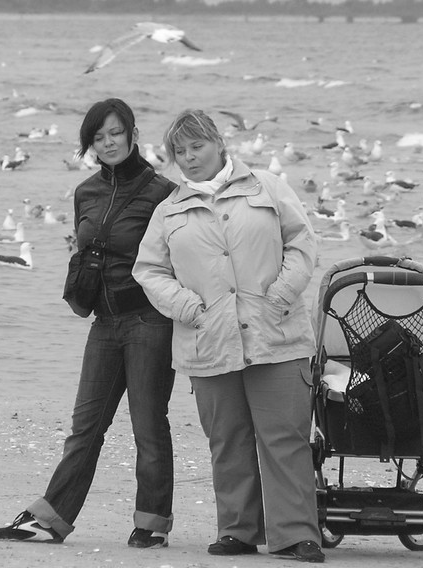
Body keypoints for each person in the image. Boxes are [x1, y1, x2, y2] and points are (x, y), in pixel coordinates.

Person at [133, 109, 325, 563]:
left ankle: (296, 534)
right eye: (179, 152)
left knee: (285, 437)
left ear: (219, 143)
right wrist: (188, 309)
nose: (188, 157)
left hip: (276, 332)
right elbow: (149, 271)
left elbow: (302, 242)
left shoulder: (268, 187)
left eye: (196, 146)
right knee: (228, 439)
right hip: (208, 339)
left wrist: (281, 294)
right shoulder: (168, 210)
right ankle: (238, 531)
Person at [0, 98, 177, 548]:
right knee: (86, 427)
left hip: (150, 321)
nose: (108, 142)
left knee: (148, 427)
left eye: (115, 132)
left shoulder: (164, 192)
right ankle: (50, 519)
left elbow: (179, 261)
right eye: (98, 137)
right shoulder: (86, 192)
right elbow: (83, 249)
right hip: (104, 323)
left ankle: (151, 524)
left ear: (133, 133)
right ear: (89, 144)